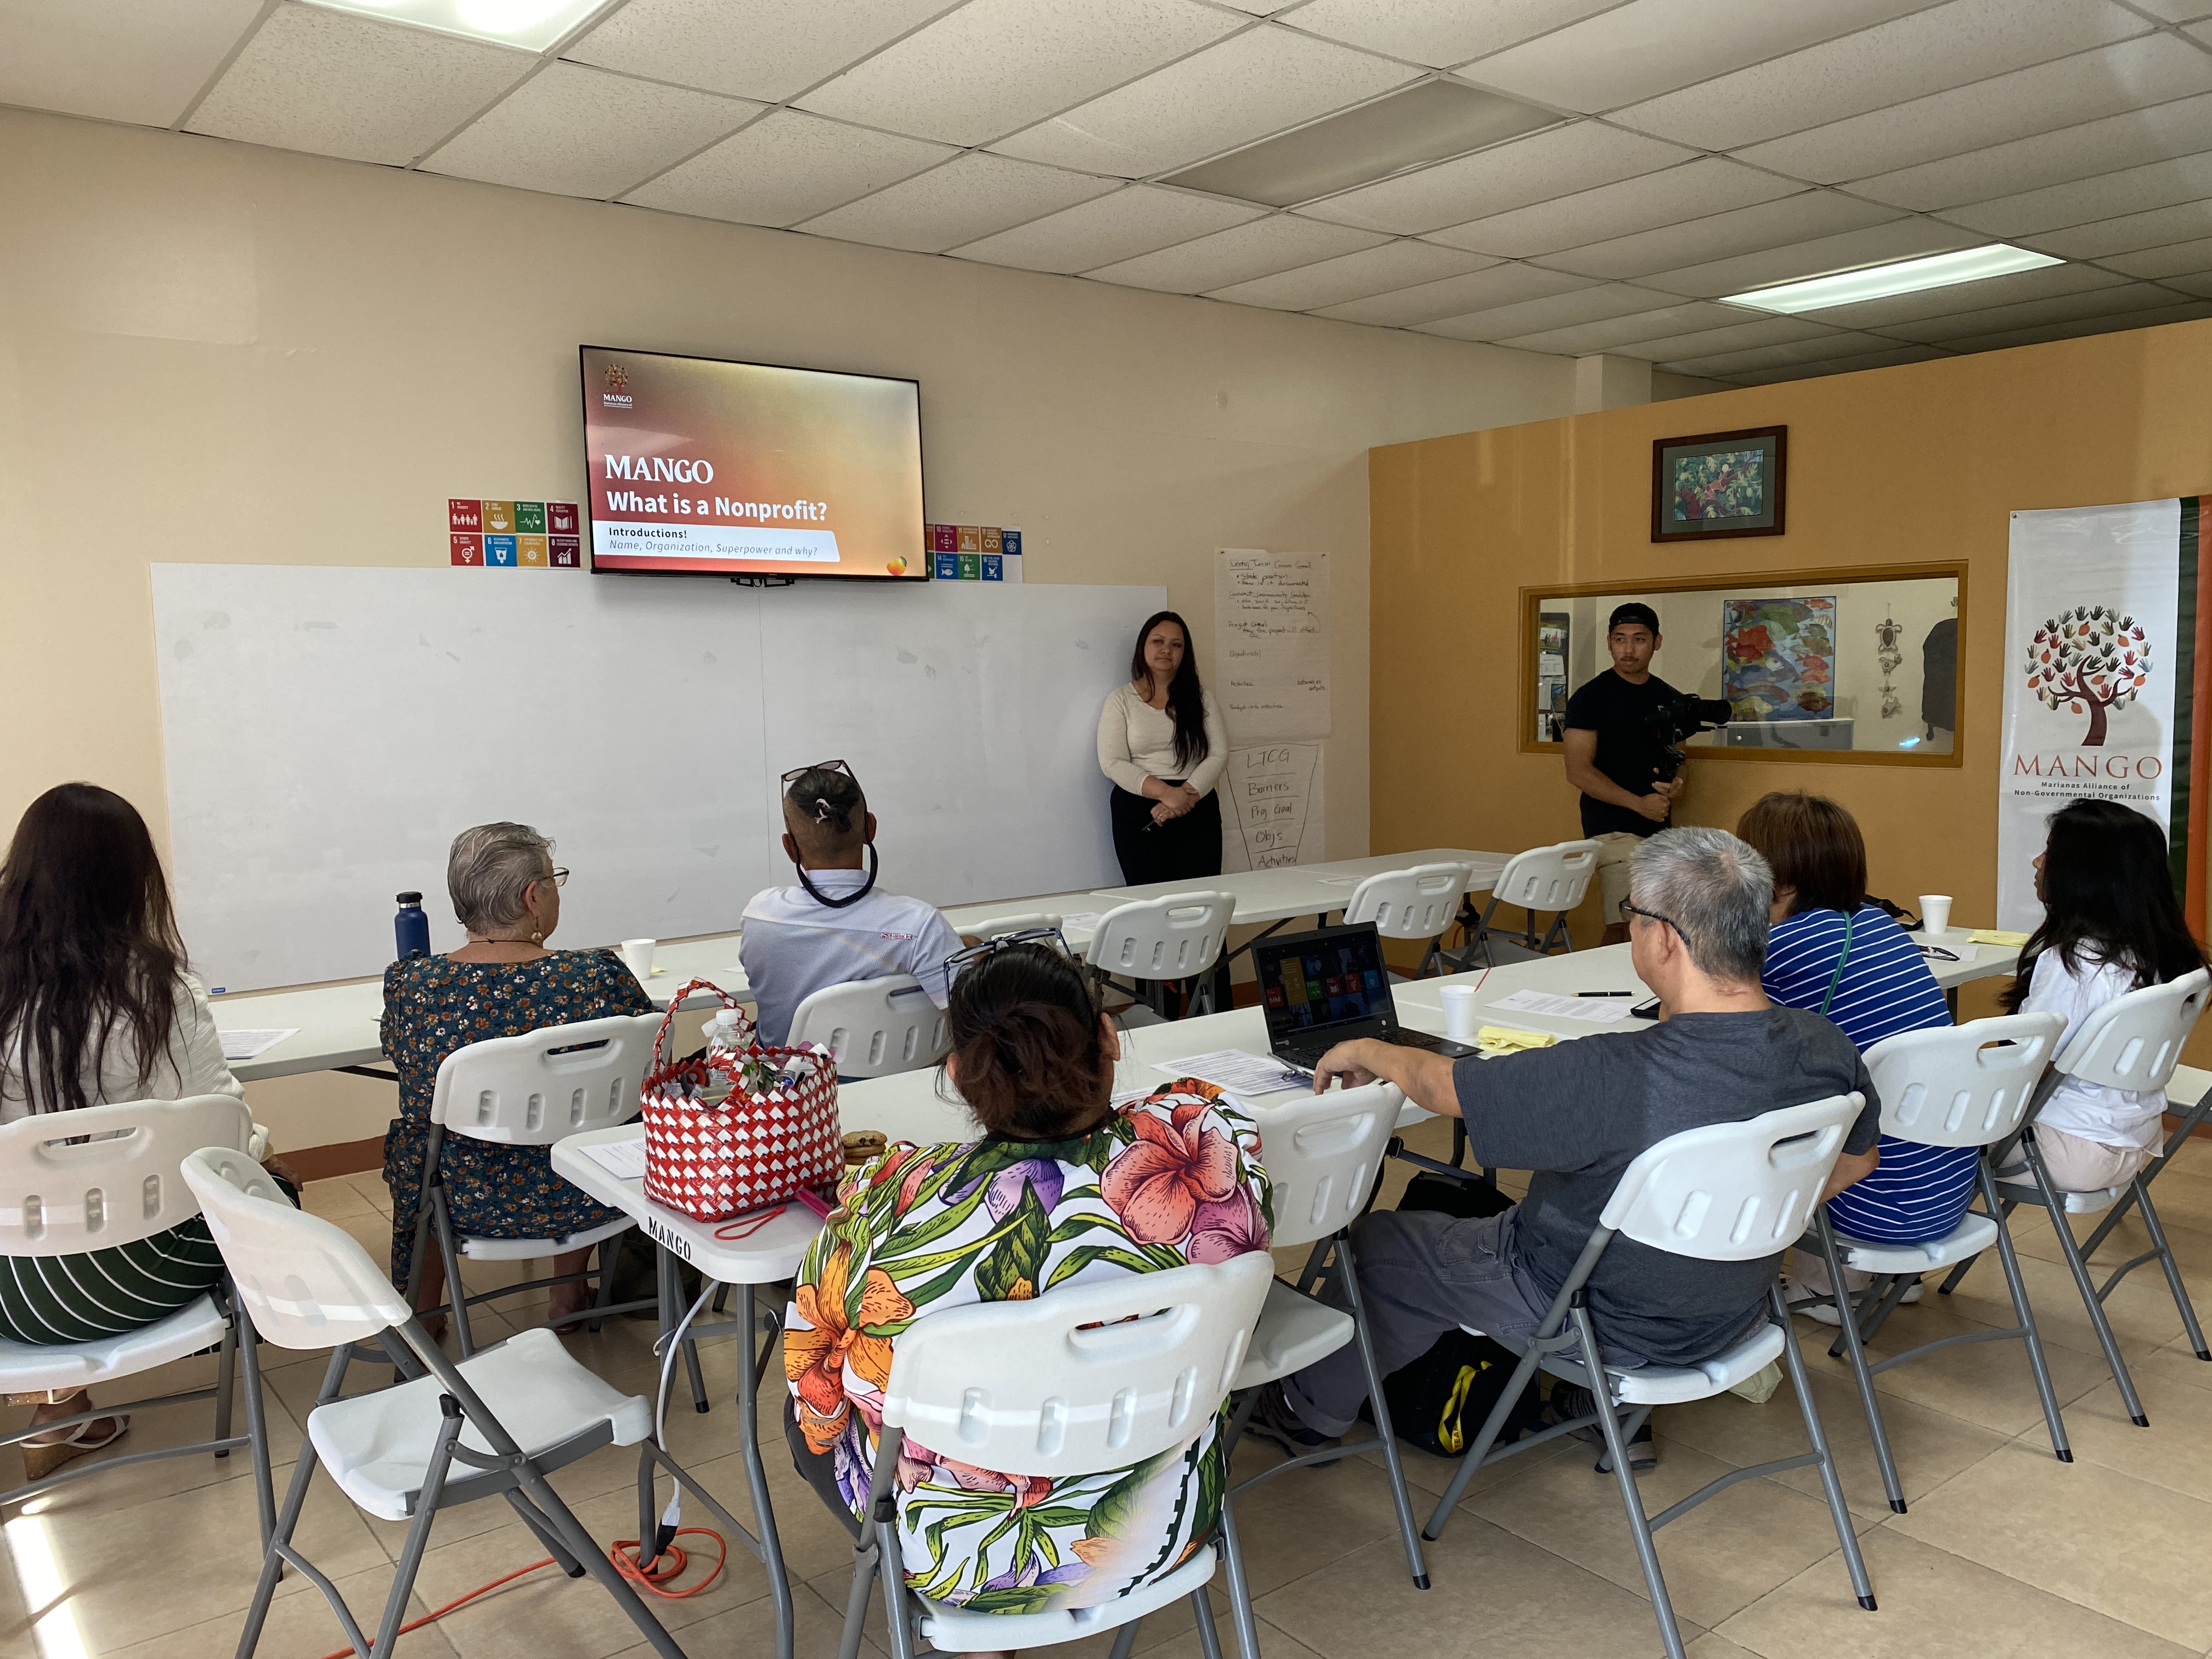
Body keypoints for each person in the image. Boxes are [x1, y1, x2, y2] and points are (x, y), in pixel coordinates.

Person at [1245, 827, 1880, 1474]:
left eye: (1633, 914)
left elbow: (1444, 1088)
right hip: (1733, 1311)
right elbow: (1859, 1161)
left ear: (1665, 938)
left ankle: (1304, 1416)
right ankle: (1599, 1406)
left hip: (1585, 1307)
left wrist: (1368, 1049)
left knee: (1381, 1247)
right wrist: (1734, 1210)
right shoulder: (1825, 1046)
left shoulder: (1616, 1071)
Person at [784, 940, 1273, 1632]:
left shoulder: (893, 1205)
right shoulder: (1207, 1139)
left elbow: (819, 1398)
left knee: (808, 1410)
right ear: (1109, 1037)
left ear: (958, 1076)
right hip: (1169, 1525)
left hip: (969, 1564)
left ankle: (987, 1638)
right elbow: (1179, 1104)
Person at [0, 785, 250, 1478]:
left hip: (14, 1303)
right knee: (267, 1188)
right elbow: (224, 1138)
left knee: (48, 1219)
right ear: (133, 880)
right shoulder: (164, 992)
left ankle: (61, 1408)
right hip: (144, 1282)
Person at [381, 822, 651, 1329]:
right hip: (590, 1190)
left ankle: (425, 1316)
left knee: (420, 1136)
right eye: (554, 880)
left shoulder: (412, 985)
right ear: (533, 897)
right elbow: (650, 1060)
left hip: (459, 1200)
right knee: (584, 1115)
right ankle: (568, 1295)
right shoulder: (598, 976)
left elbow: (405, 1065)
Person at [1735, 792, 1958, 1321]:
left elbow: (1706, 1032)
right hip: (1942, 1188)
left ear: (1778, 876)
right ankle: (1884, 1282)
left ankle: (1827, 1289)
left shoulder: (1781, 947)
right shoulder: (1878, 923)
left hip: (1874, 1201)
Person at [2001, 798, 2207, 1190]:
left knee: (1921, 1123)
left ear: (2086, 875)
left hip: (2062, 1148)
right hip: (2133, 1140)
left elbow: (2030, 1064)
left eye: (2050, 853)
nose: (2038, 863)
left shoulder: (2075, 962)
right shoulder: (2159, 954)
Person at [739, 761, 962, 1046]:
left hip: (784, 1075)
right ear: (871, 828)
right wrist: (964, 956)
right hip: (901, 1075)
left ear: (790, 848)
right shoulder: (919, 928)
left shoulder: (759, 915)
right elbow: (972, 1023)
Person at [1563, 603, 1688, 945]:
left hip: (1659, 830)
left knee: (1657, 927)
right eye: (1620, 639)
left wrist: (1678, 785)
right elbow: (1578, 771)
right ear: (1609, 643)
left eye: (1639, 639)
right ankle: (1606, 982)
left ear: (1657, 642)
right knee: (1625, 925)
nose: (1628, 649)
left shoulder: (1669, 698)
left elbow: (1680, 758)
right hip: (1612, 828)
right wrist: (1638, 804)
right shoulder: (1590, 698)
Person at [1097, 610, 1229, 887]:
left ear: (1184, 652)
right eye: (1158, 641)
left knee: (1201, 898)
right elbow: (1112, 762)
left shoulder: (1202, 698)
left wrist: (1184, 797)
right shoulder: (1121, 700)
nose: (1166, 650)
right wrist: (1168, 795)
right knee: (1150, 902)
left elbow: (1218, 754)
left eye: (1176, 644)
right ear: (1143, 646)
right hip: (1139, 809)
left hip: (1196, 805)